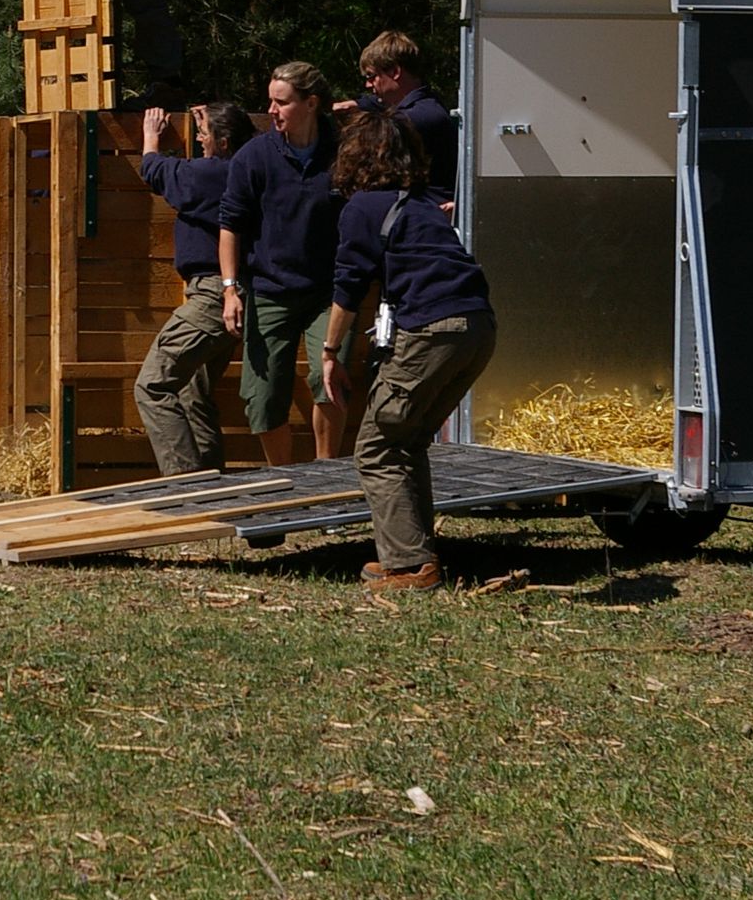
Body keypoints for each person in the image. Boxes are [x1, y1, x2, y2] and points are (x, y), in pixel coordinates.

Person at [321, 108, 498, 591]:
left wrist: (330, 353)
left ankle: (410, 567)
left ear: (355, 157)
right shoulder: (422, 203)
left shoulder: (363, 207)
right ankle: (413, 554)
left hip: (434, 328)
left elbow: (350, 286)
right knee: (406, 439)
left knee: (377, 447)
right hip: (477, 327)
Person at [218, 61, 351, 465]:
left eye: (282, 103)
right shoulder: (254, 157)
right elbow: (230, 225)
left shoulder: (343, 149)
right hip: (269, 290)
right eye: (270, 102)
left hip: (327, 293)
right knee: (262, 395)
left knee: (327, 379)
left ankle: (326, 476)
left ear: (311, 103)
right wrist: (230, 289)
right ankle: (284, 484)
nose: (272, 111)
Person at [134, 101, 254, 473]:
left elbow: (156, 171)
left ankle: (185, 485)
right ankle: (212, 486)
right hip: (230, 295)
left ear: (223, 142)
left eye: (205, 136)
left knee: (152, 386)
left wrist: (150, 139)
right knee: (191, 392)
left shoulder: (214, 176)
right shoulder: (246, 170)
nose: (199, 139)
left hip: (212, 297)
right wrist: (210, 124)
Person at [335, 31, 457, 191]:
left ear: (395, 72)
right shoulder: (417, 105)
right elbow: (371, 103)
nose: (368, 85)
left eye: (371, 76)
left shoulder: (418, 118)